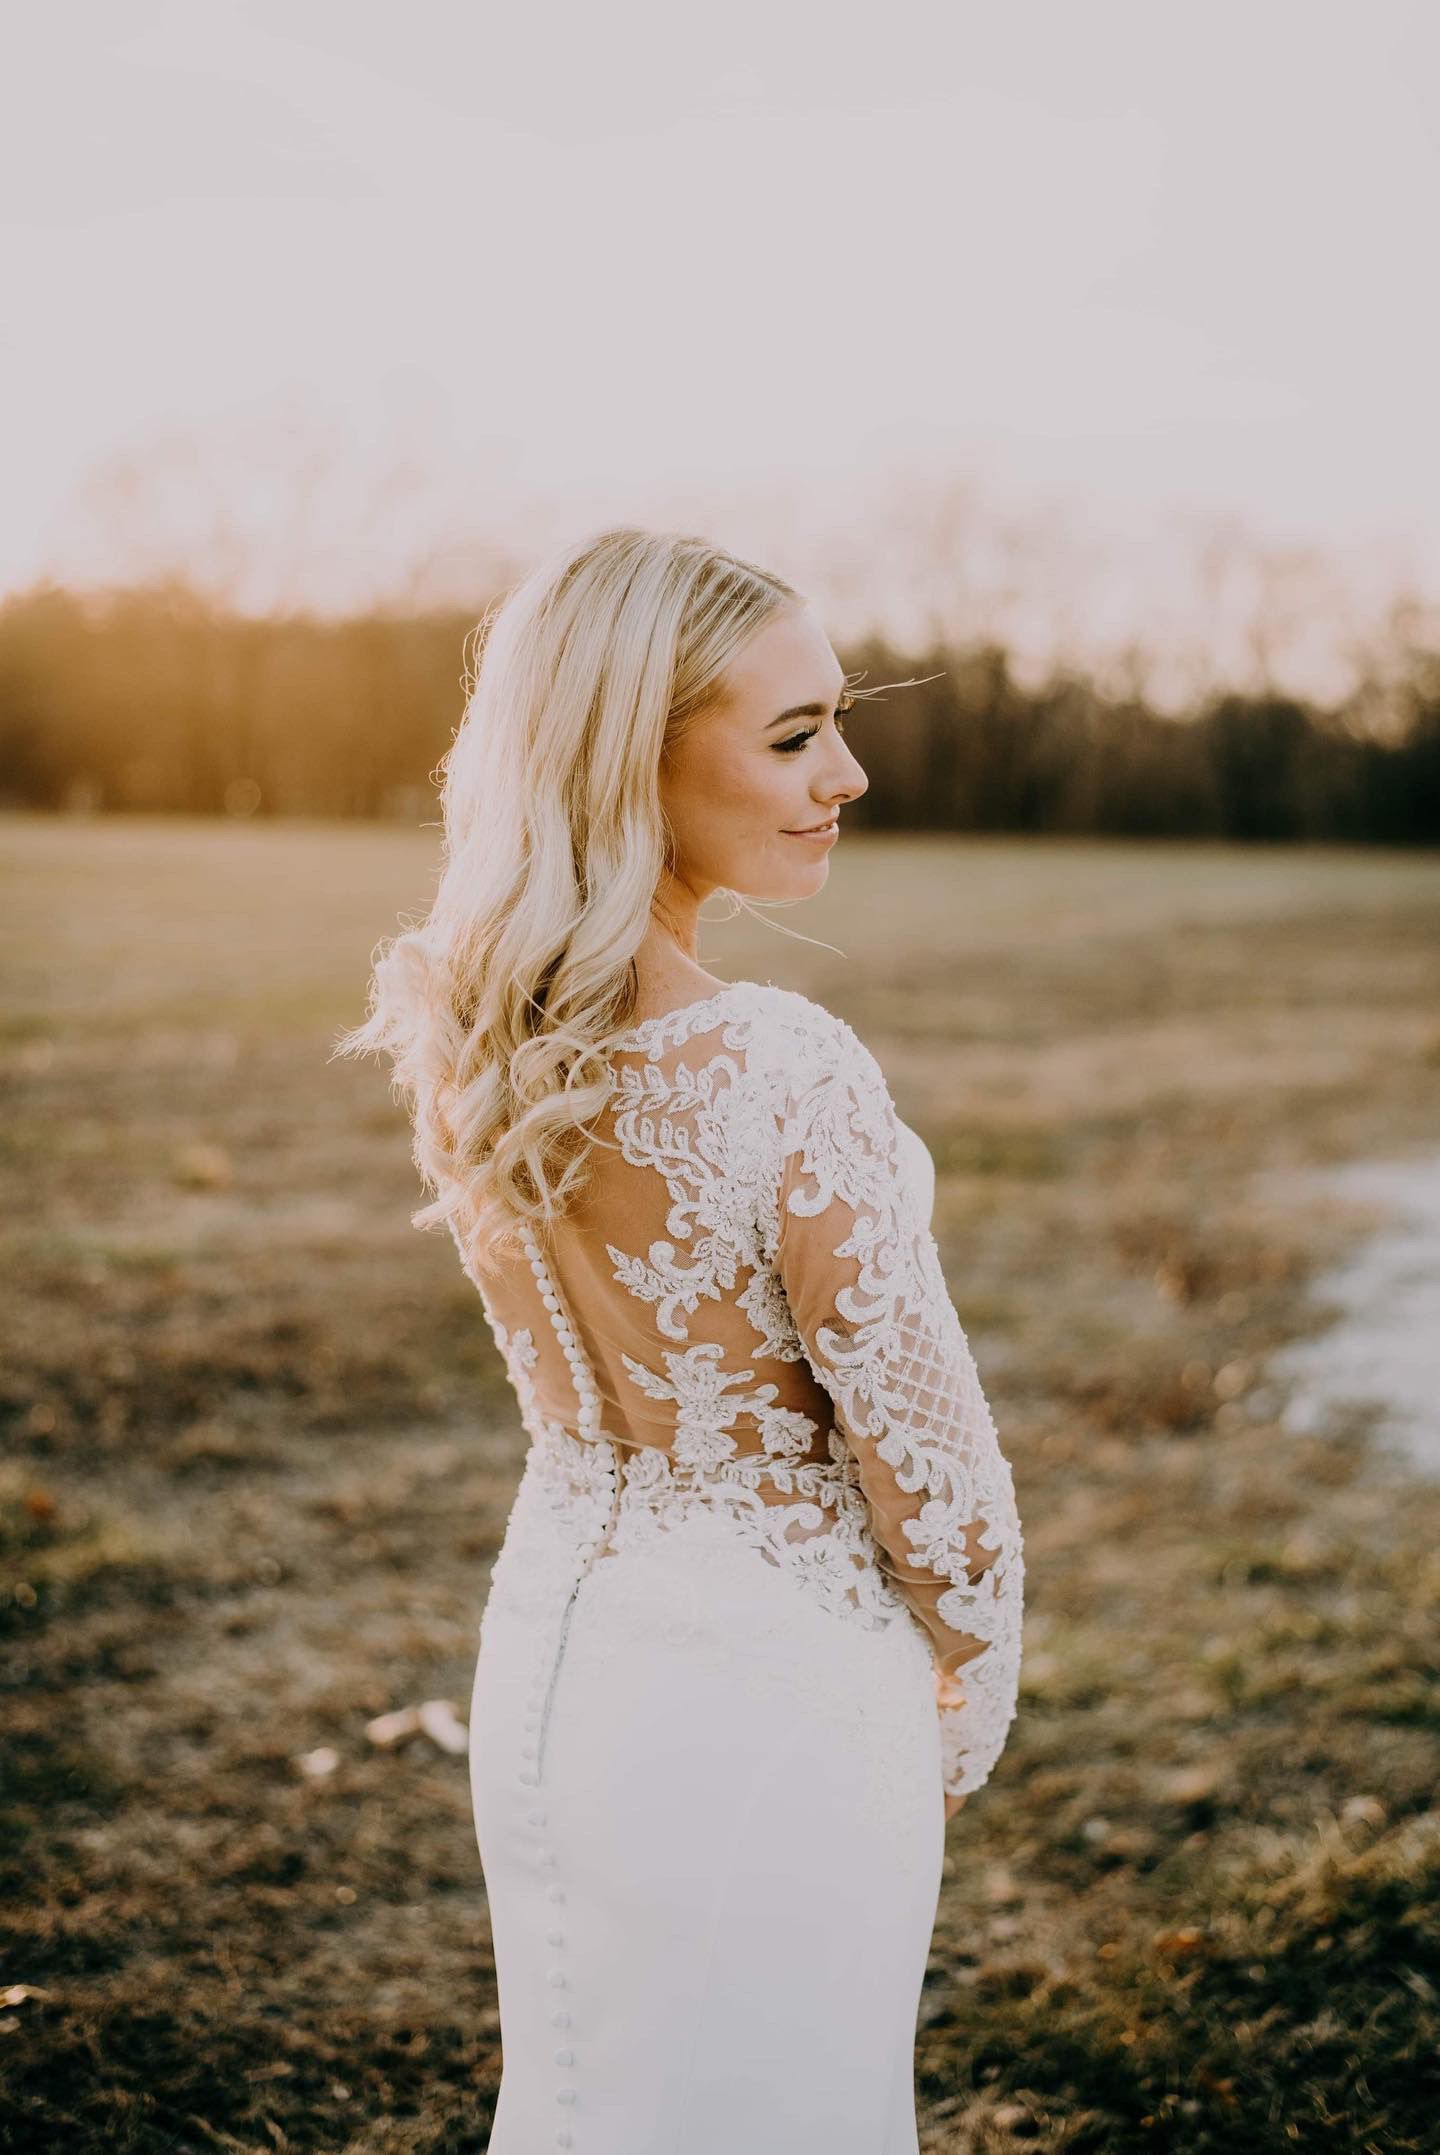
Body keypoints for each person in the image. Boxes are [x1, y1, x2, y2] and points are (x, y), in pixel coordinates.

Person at [340, 526, 1024, 2151]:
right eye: (792, 737)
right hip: (775, 1692)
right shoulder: (782, 1067)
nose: (845, 773)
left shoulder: (482, 1042)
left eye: (838, 722)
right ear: (620, 757)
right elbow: (935, 1474)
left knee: (593, 2101)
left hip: (555, 1662)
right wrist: (965, 1688)